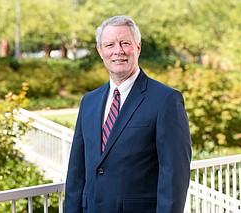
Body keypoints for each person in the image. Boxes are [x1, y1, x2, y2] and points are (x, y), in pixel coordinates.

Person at [65, 15, 191, 213]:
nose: (118, 51)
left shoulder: (166, 100)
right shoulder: (88, 101)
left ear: (138, 47)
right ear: (100, 51)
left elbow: (174, 176)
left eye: (125, 43)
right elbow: (76, 172)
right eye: (110, 45)